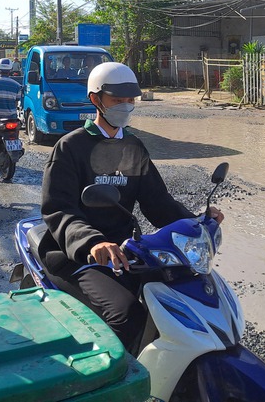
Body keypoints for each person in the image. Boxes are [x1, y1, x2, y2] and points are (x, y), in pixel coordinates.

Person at [39, 62, 224, 352]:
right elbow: (59, 210)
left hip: (127, 250)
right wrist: (93, 242)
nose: (125, 106)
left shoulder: (135, 147)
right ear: (95, 100)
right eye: (117, 100)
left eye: (130, 100)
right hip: (78, 255)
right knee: (126, 314)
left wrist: (199, 221)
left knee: (180, 293)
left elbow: (158, 203)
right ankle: (117, 382)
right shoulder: (69, 147)